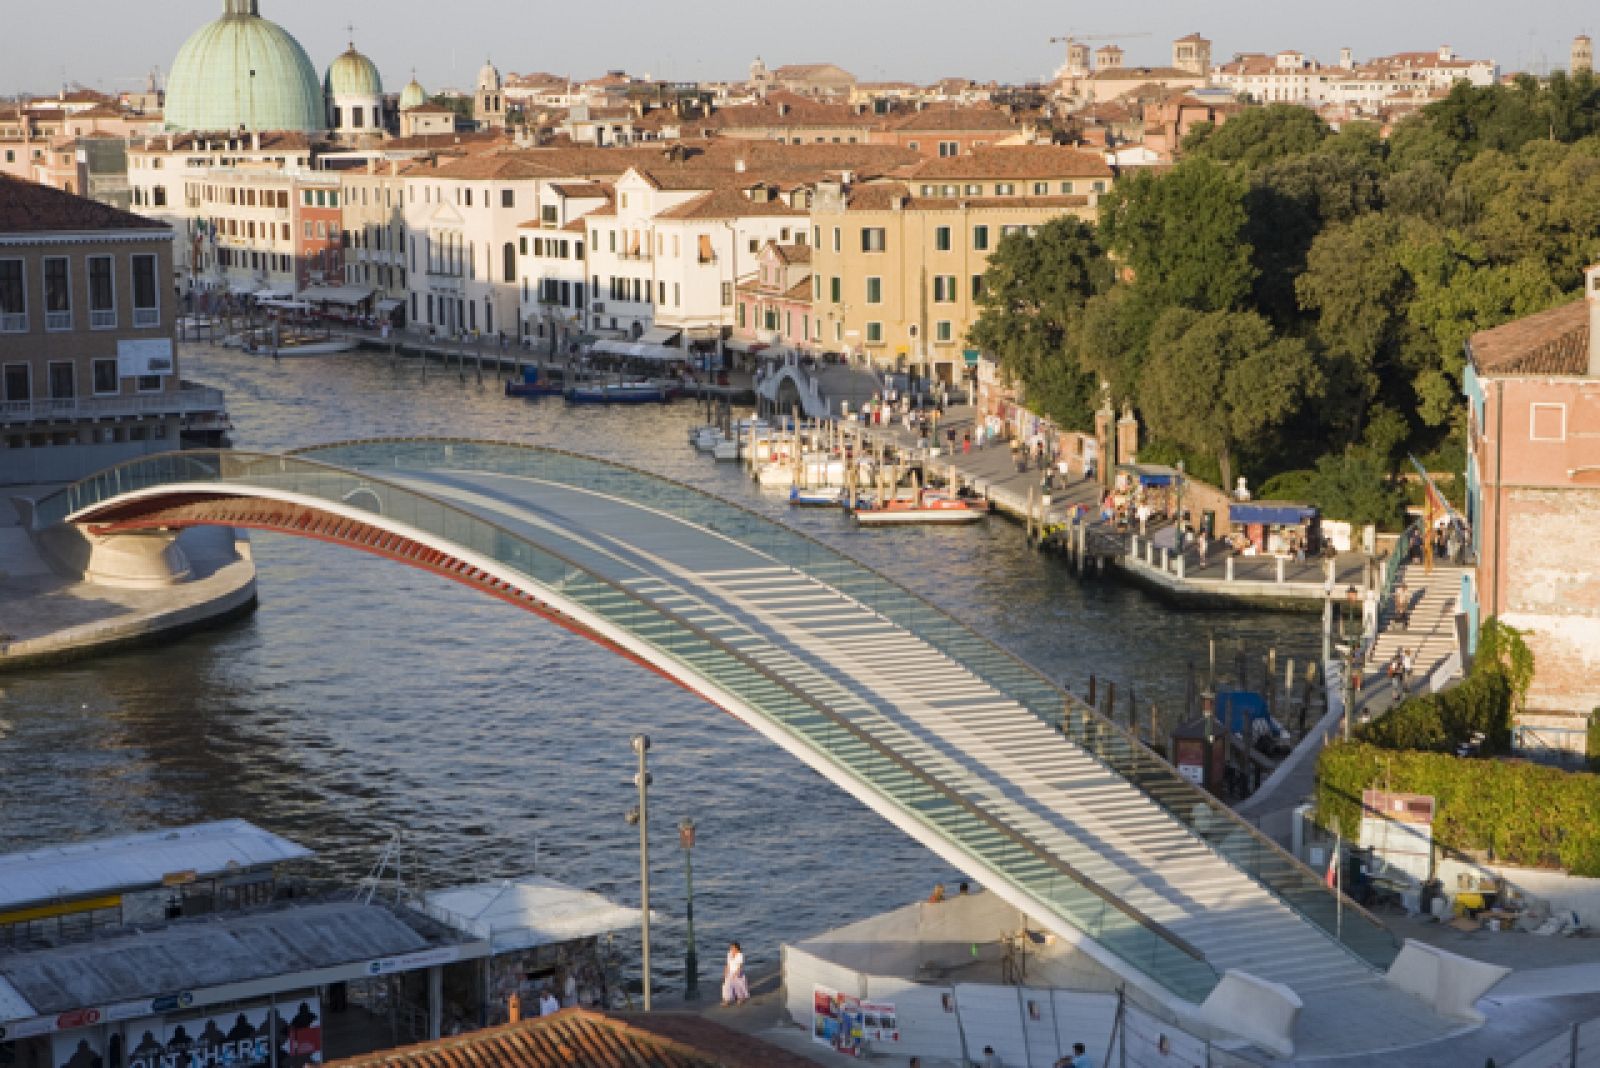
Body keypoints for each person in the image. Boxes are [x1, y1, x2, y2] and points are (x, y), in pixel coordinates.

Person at [721, 941, 750, 1006]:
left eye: (733, 948)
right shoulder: (729, 954)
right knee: (727, 986)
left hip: (738, 972)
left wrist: (736, 973)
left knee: (738, 986)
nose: (731, 949)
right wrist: (725, 972)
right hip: (730, 972)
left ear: (737, 948)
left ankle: (740, 998)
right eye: (731, 948)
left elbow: (740, 965)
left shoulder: (740, 955)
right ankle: (726, 1000)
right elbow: (728, 964)